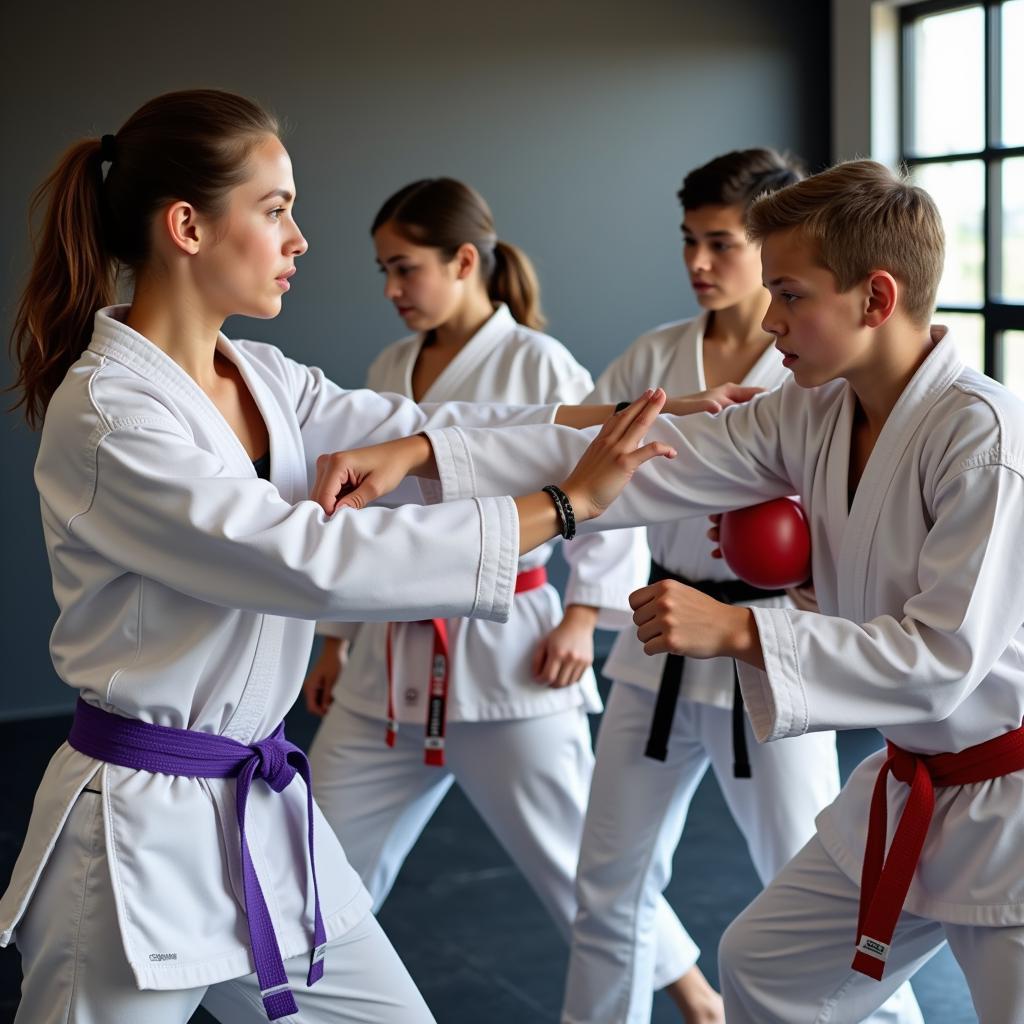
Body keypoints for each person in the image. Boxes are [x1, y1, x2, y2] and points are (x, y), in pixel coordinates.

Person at [0, 89, 699, 1024]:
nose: (299, 240)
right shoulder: (112, 414)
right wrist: (565, 507)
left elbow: (433, 435)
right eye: (277, 209)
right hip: (134, 839)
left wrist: (622, 423)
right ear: (187, 227)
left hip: (256, 813)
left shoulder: (263, 377)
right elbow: (307, 561)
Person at [312, 159, 1024, 1024]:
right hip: (913, 781)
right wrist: (425, 456)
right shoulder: (814, 411)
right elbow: (632, 463)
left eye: (790, 295)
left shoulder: (982, 440)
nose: (769, 320)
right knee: (761, 966)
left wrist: (739, 632)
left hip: (1006, 800)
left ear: (875, 299)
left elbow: (940, 659)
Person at [302, 177, 696, 1011]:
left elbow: (609, 486)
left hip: (514, 648)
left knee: (580, 868)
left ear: (465, 260)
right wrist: (333, 639)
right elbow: (358, 507)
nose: (392, 290)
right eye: (383, 270)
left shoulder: (538, 362)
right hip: (390, 656)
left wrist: (586, 615)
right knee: (311, 857)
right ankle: (302, 993)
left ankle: (695, 994)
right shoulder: (388, 366)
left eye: (405, 268)